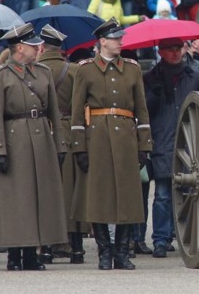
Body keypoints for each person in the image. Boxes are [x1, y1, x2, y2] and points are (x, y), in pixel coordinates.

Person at [0, 23, 67, 271]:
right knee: (16, 200)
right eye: (33, 45)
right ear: (20, 48)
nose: (38, 48)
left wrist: (59, 145)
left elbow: (54, 112)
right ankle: (14, 254)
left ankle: (32, 253)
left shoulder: (43, 73)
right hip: (14, 140)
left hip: (41, 140)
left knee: (38, 198)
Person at [70, 18, 152, 270]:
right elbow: (76, 112)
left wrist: (144, 144)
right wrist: (79, 147)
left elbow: (141, 108)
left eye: (120, 37)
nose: (120, 41)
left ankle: (122, 253)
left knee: (128, 197)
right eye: (115, 38)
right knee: (99, 197)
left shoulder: (132, 68)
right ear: (102, 42)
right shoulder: (84, 69)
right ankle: (105, 252)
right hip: (97, 138)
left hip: (126, 137)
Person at [144, 37, 199, 258]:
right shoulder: (151, 78)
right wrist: (154, 94)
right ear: (160, 51)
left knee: (190, 192)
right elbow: (144, 111)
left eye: (178, 48)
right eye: (170, 49)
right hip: (163, 139)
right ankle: (161, 239)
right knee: (162, 194)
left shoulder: (195, 77)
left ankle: (187, 237)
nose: (176, 53)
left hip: (190, 141)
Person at [37, 25, 86, 264]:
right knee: (70, 191)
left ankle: (46, 248)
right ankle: (76, 248)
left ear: (42, 47)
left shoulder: (35, 69)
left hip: (41, 130)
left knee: (46, 191)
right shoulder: (75, 70)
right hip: (68, 130)